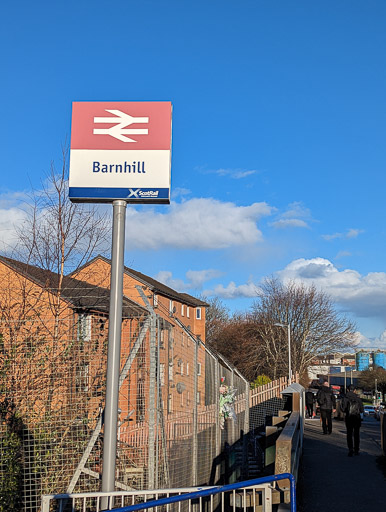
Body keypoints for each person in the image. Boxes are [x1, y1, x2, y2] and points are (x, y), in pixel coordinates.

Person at [340, 385, 364, 457]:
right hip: (356, 417)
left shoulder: (345, 398)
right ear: (354, 390)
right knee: (356, 434)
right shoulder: (358, 399)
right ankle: (356, 449)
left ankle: (350, 449)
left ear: (347, 390)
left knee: (349, 434)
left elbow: (343, 409)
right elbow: (362, 410)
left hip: (349, 417)